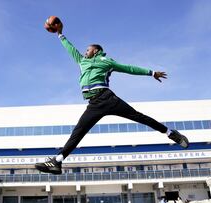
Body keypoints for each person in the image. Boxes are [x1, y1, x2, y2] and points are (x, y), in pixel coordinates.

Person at [35, 20, 189, 174]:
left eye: (88, 49)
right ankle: (57, 161)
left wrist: (151, 72)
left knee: (139, 117)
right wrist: (60, 33)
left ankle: (171, 133)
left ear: (96, 51)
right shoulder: (82, 61)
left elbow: (128, 68)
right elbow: (70, 48)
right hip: (94, 103)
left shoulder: (106, 61)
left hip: (108, 98)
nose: (85, 51)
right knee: (79, 131)